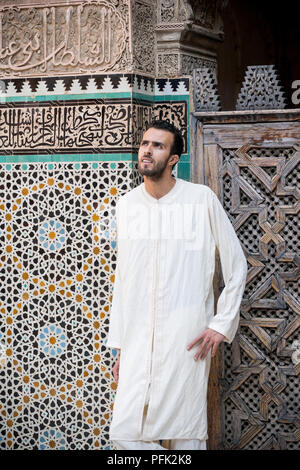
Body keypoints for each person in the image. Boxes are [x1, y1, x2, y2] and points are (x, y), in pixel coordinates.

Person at [106, 119, 248, 450]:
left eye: (158, 146)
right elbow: (125, 281)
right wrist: (122, 347)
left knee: (186, 435)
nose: (147, 151)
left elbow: (236, 264)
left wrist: (220, 324)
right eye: (144, 143)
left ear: (173, 158)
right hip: (139, 340)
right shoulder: (127, 205)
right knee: (124, 436)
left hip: (186, 339)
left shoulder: (200, 201)